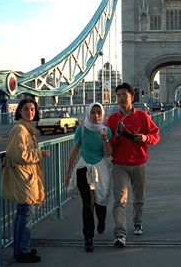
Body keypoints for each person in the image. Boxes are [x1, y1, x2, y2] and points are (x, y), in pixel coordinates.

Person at [105, 83, 160, 248]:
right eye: (119, 95)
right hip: (119, 164)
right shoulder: (112, 119)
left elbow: (155, 135)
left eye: (124, 95)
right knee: (119, 200)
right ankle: (120, 234)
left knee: (138, 197)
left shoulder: (143, 116)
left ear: (132, 97)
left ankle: (137, 222)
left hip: (139, 162)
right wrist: (117, 136)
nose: (121, 98)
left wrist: (144, 138)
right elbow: (109, 145)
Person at [2, 98, 51, 263]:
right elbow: (17, 154)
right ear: (19, 112)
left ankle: (20, 248)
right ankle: (22, 251)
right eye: (25, 109)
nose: (29, 112)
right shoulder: (20, 130)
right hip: (24, 178)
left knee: (22, 215)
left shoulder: (27, 129)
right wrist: (39, 154)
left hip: (26, 176)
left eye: (32, 109)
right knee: (27, 215)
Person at [64, 102, 112, 252]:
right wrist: (67, 174)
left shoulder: (107, 130)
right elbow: (74, 152)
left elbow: (108, 153)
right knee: (88, 203)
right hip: (83, 168)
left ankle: (102, 220)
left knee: (101, 201)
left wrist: (105, 140)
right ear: (88, 114)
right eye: (93, 113)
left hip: (100, 167)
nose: (96, 116)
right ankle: (88, 237)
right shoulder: (81, 130)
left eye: (99, 113)